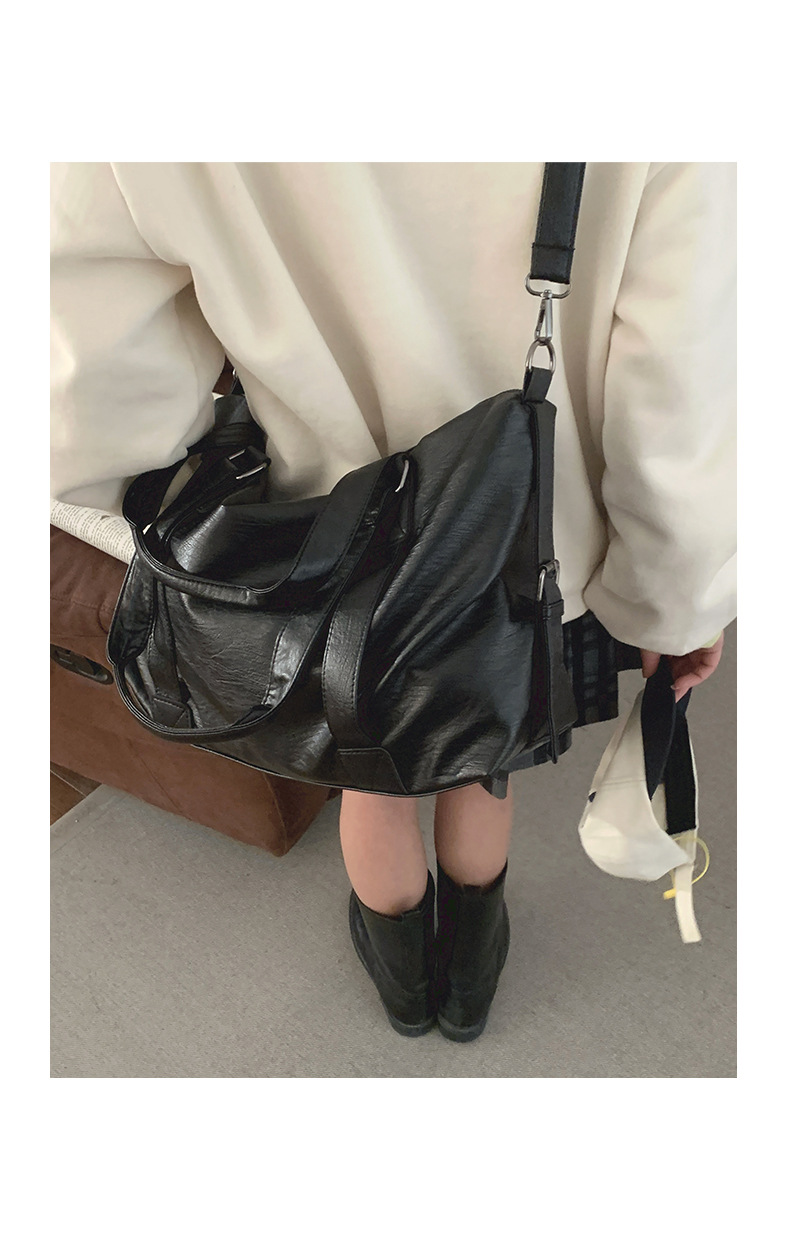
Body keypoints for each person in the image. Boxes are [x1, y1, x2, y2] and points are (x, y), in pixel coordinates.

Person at [50, 163, 735, 1041]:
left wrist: (182, 494)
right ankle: (471, 978)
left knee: (368, 774)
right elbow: (685, 385)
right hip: (526, 542)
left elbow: (82, 377)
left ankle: (406, 985)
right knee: (482, 760)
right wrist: (673, 604)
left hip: (320, 538)